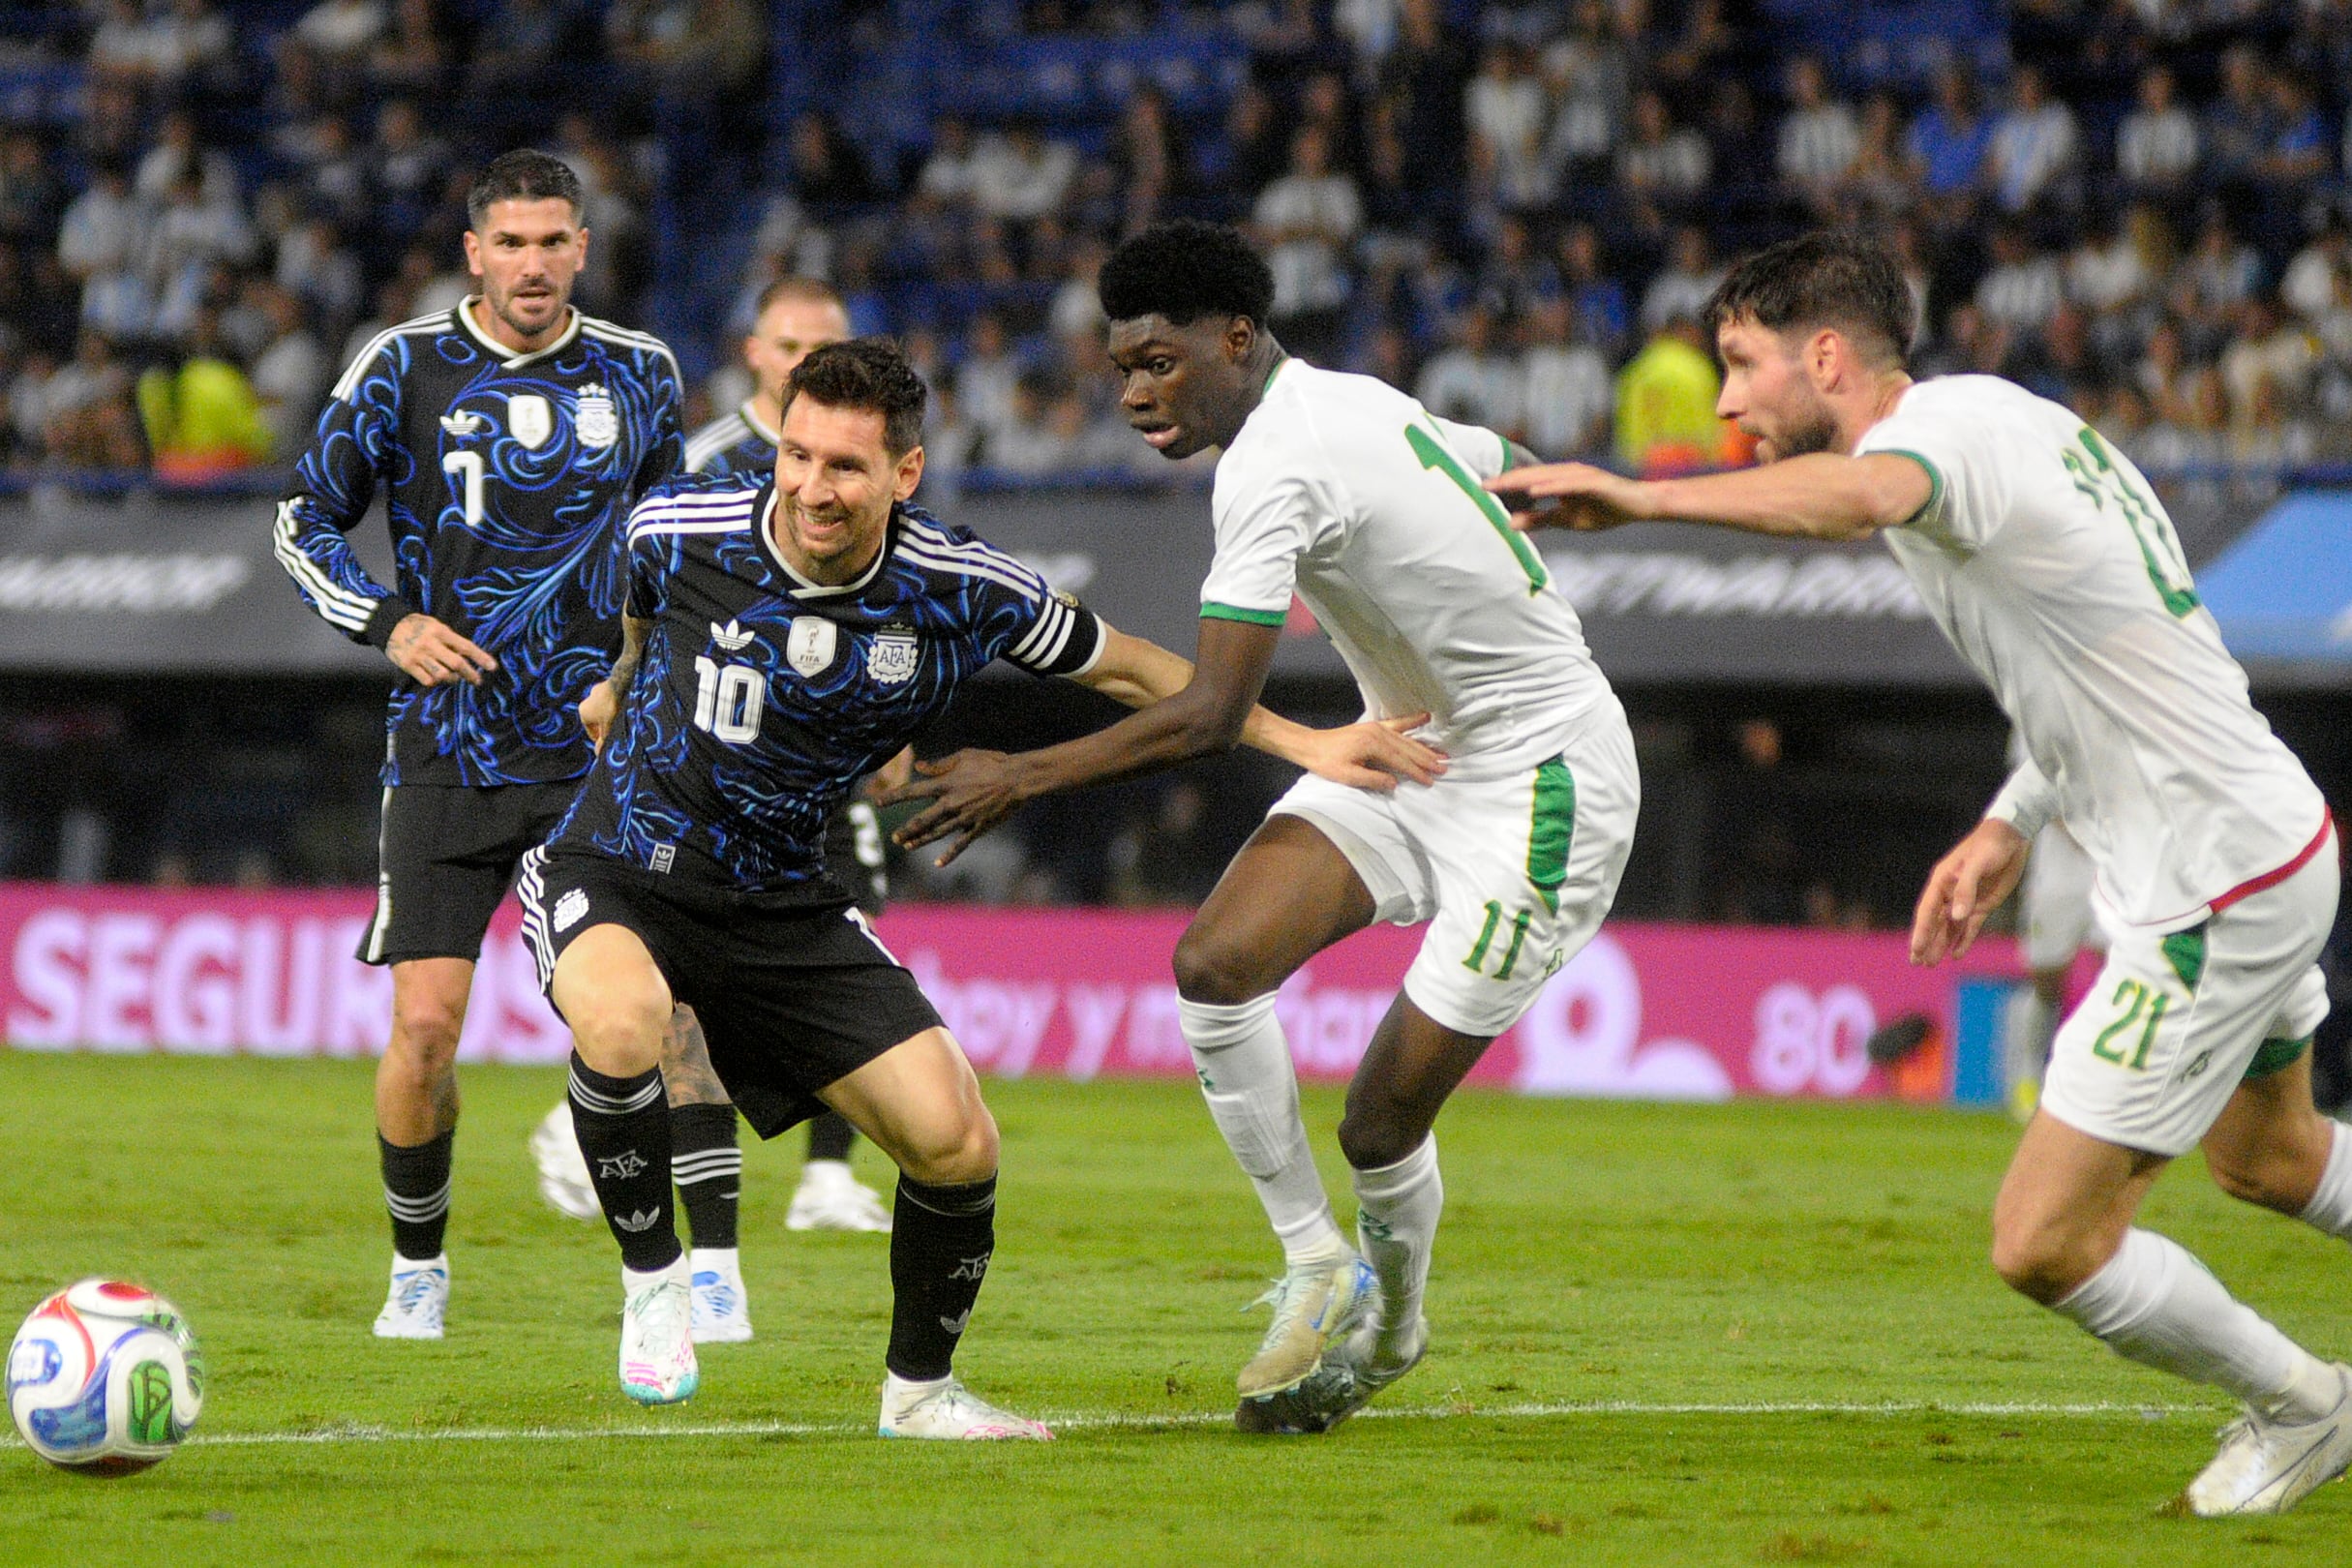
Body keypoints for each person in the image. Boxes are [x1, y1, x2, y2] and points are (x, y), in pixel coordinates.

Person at [1499, 232, 2346, 1517]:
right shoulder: (2032, 434)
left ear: (1824, 357)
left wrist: (1645, 495)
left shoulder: (1934, 441)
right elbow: (2120, 649)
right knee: (2271, 1161)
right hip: (2259, 834)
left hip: (2210, 880)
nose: (1722, 401)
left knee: (2043, 1241)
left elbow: (1857, 499)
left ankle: (2304, 1406)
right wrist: (2012, 815)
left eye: (1739, 364)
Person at [521, 336, 1441, 1426]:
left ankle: (919, 1396)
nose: (812, 487)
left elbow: (1129, 666)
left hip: (781, 901)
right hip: (621, 862)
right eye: (799, 457)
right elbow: (633, 621)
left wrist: (1308, 744)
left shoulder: (957, 586)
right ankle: (657, 1286)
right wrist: (619, 685)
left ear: (904, 475)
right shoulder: (679, 525)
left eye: (846, 467)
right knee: (622, 1027)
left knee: (957, 1140)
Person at [884, 220, 1639, 1434]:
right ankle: (1314, 1258)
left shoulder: (1271, 465)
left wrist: (1019, 774)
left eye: (1160, 363)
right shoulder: (1354, 398)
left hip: (1547, 785)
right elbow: (1494, 454)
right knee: (1214, 964)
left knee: (1380, 1116)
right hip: (1406, 748)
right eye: (1123, 369)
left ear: (1236, 337)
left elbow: (1209, 714)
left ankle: (1389, 1329)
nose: (1136, 393)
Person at [272, 149, 683, 1342]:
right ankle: (417, 1269)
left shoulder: (642, 374)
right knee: (425, 1031)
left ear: (583, 249)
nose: (534, 265)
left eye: (554, 241)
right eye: (511, 242)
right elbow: (303, 519)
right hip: (447, 750)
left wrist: (634, 677)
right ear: (473, 253)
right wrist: (387, 620)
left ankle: (654, 1284)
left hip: (596, 759)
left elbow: (679, 556)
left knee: (635, 1021)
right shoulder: (404, 366)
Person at [528, 277, 890, 1363]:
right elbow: (634, 593)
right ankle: (709, 1270)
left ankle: (821, 1178)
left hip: (811, 770)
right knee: (680, 1015)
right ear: (754, 350)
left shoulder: (864, 457)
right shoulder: (701, 463)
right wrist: (615, 688)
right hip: (693, 776)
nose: (806, 360)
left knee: (841, 950)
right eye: (790, 344)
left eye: (827, 342)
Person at [2005, 729, 2104, 1125]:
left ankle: (2102, 1084)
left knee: (2118, 968)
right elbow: (2028, 786)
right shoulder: (2036, 701)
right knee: (2046, 978)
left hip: (2115, 868)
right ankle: (2028, 1078)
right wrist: (2076, 825)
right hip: (2056, 875)